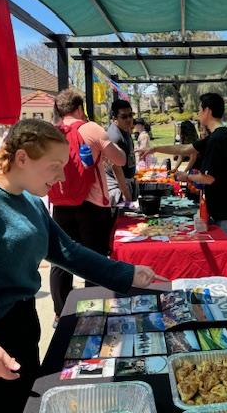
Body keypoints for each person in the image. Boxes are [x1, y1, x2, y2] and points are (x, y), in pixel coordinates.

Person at [0, 118, 165, 413]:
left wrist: (127, 274)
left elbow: (67, 251)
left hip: (9, 334)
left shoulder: (29, 201)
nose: (63, 177)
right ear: (22, 158)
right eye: (55, 166)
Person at [49, 90, 127, 322]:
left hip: (61, 204)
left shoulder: (51, 132)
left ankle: (61, 312)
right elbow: (120, 159)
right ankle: (92, 310)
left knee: (60, 259)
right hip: (91, 206)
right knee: (93, 258)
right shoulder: (90, 128)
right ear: (79, 108)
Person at [138, 93, 227, 253]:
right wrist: (155, 148)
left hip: (225, 210)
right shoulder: (216, 135)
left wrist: (185, 176)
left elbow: (208, 178)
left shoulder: (218, 139)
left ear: (207, 110)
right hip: (220, 208)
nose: (198, 113)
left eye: (200, 109)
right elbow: (185, 149)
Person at [106, 99, 137, 205]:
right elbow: (116, 168)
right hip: (118, 186)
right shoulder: (115, 136)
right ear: (114, 118)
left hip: (126, 182)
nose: (129, 119)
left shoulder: (125, 129)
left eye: (130, 115)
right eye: (124, 116)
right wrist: (126, 194)